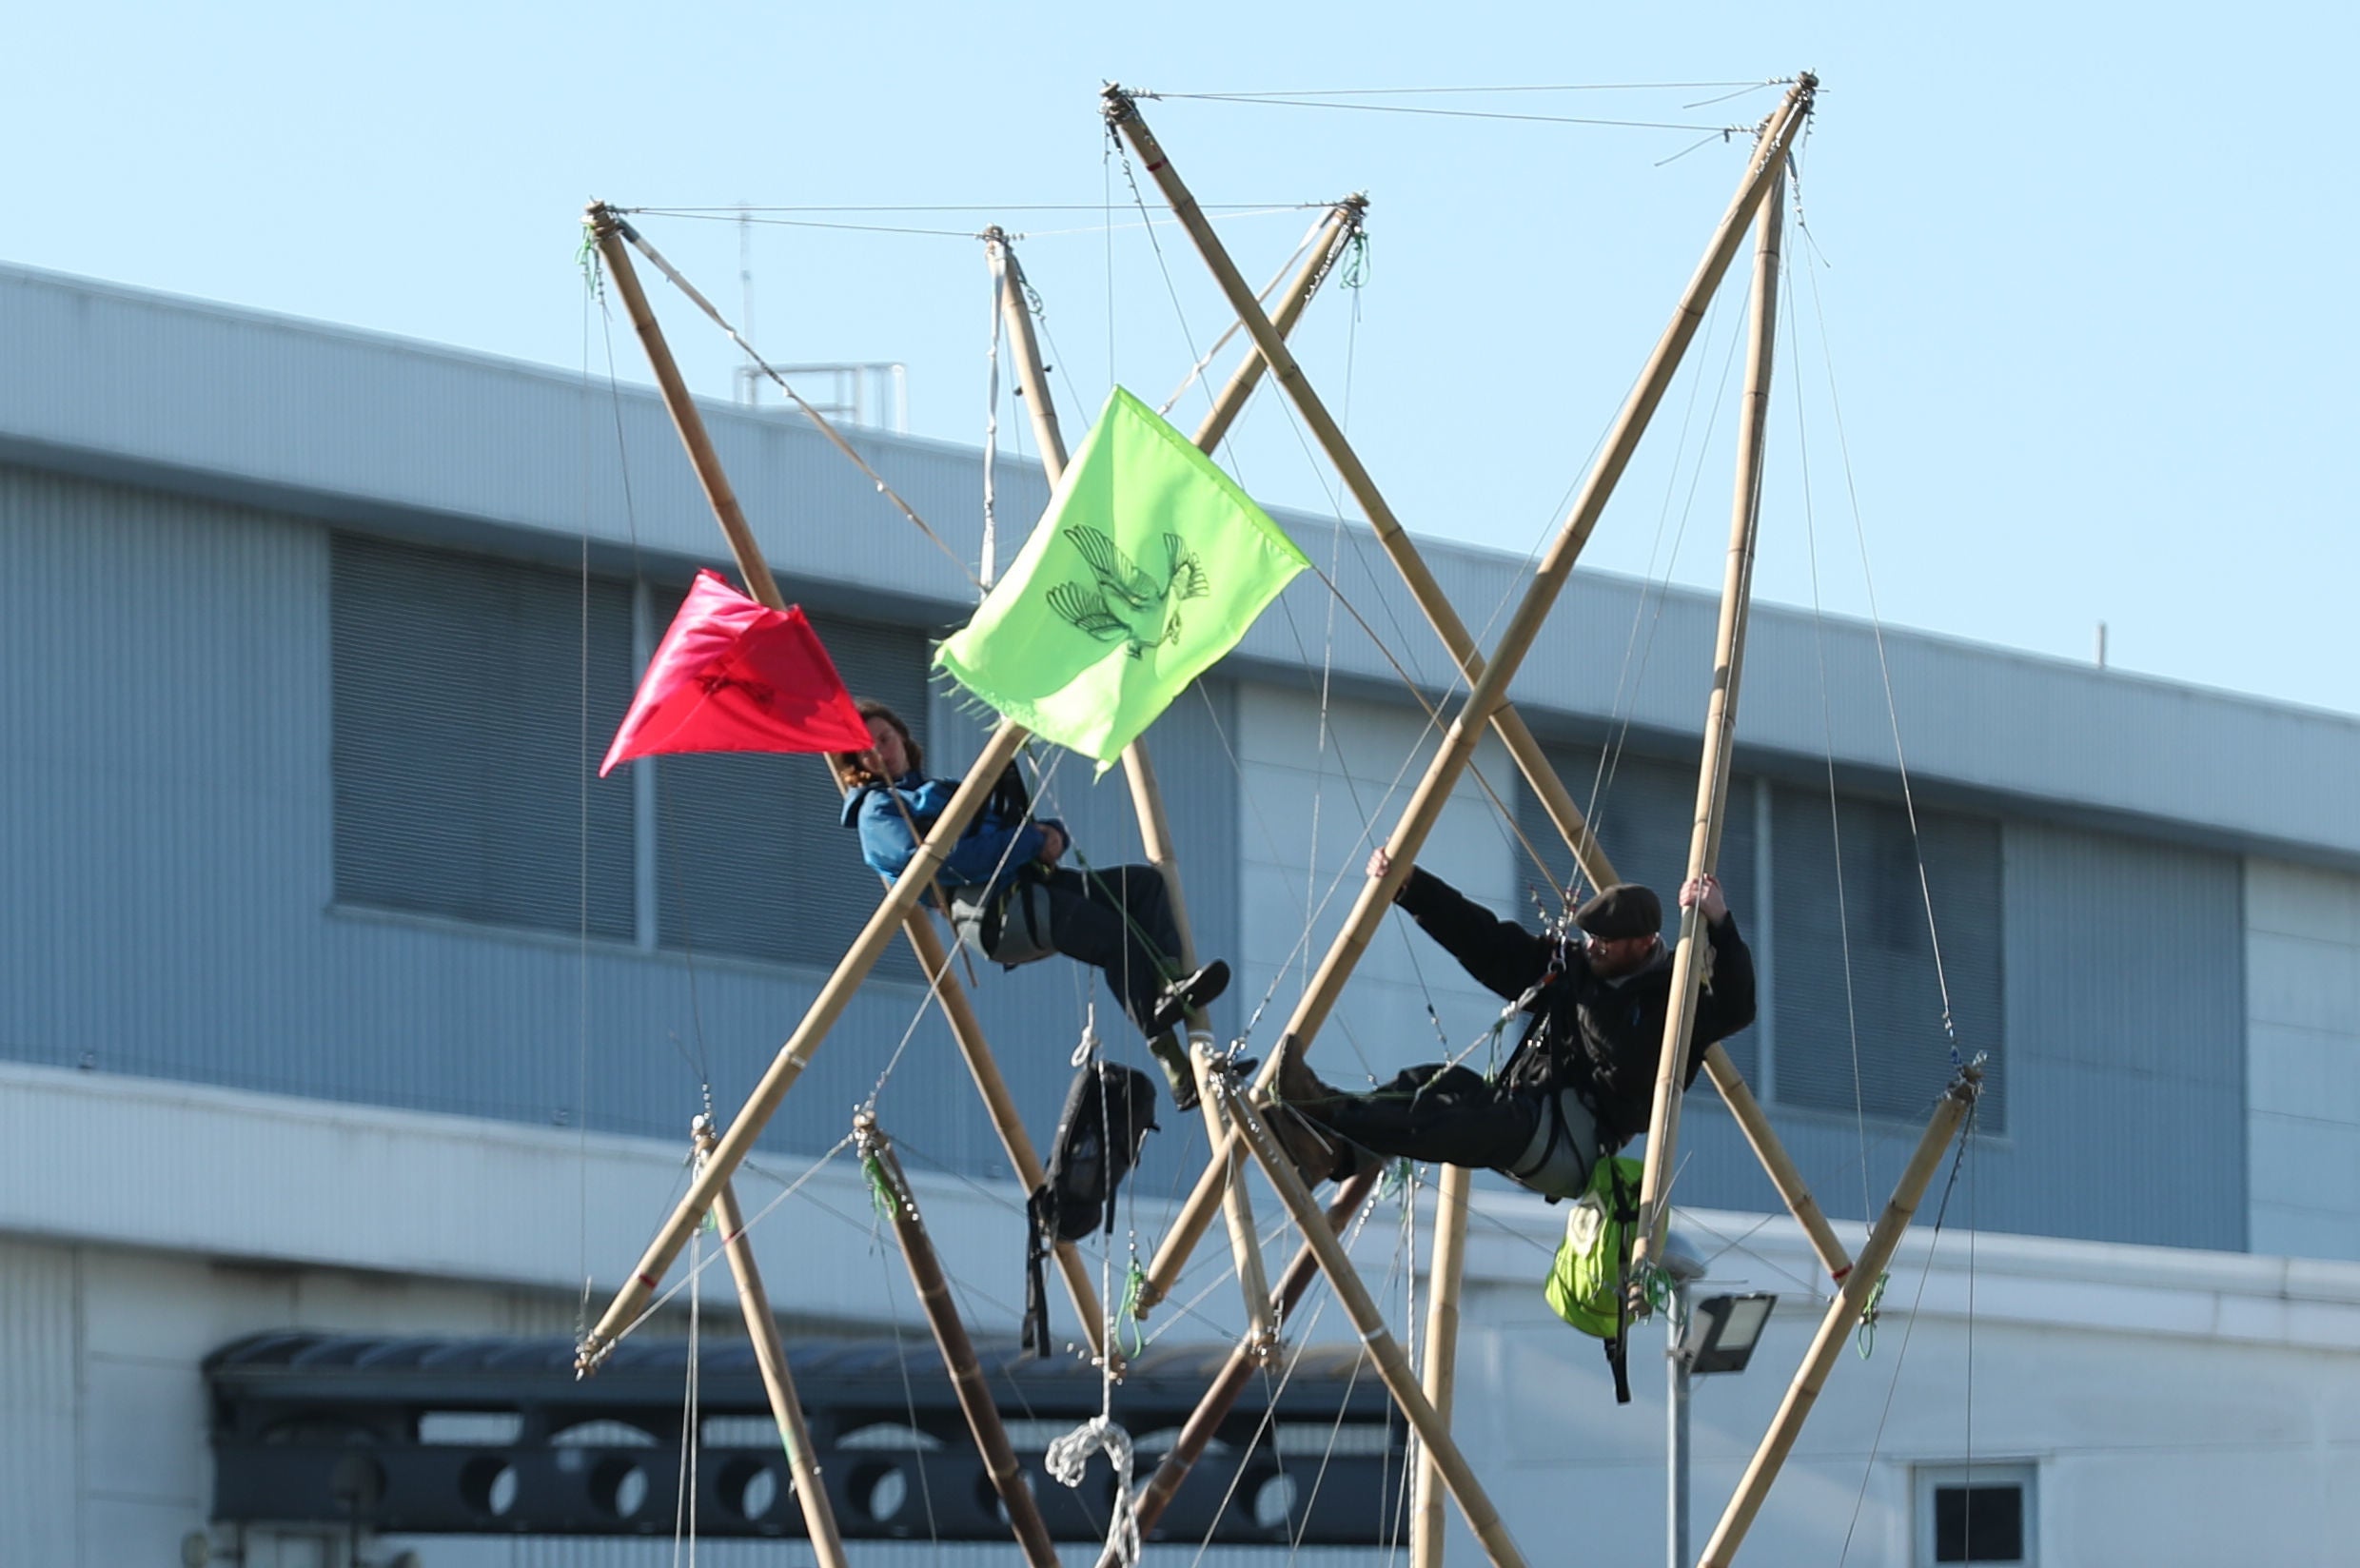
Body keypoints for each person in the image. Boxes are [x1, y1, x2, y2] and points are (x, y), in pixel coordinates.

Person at [1264, 848, 1755, 1200]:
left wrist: (1720, 921)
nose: (1592, 947)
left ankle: (1323, 1119)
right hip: (1530, 1110)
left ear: (1644, 943)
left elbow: (1734, 1007)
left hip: (1575, 1144)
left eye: (1606, 941)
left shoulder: (1672, 999)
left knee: (1469, 1119)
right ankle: (1331, 1146)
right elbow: (1489, 944)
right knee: (1433, 1082)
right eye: (1590, 937)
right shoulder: (1576, 966)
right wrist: (1413, 890)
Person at [836, 699, 1229, 1108]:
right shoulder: (877, 812)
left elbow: (1004, 827)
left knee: (1144, 886)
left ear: (902, 737)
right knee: (1115, 938)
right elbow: (942, 862)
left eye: (886, 738)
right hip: (997, 912)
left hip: (1034, 887)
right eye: (868, 747)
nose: (881, 750)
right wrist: (1031, 841)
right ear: (857, 761)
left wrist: (1048, 834)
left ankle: (1169, 984)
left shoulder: (939, 791)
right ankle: (1172, 1060)